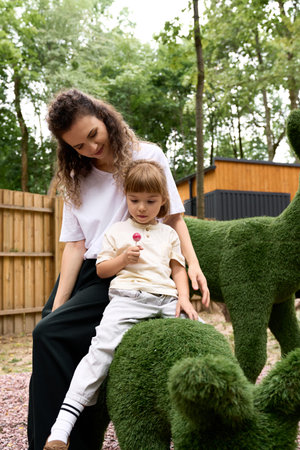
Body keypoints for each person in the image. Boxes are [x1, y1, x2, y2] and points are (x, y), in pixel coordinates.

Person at [28, 88, 210, 450]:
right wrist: (59, 303)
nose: (91, 148)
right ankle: (47, 440)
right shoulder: (75, 178)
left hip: (127, 270)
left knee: (50, 334)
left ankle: (70, 438)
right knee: (48, 327)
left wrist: (193, 266)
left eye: (93, 135)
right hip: (90, 268)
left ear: (104, 116)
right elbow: (75, 245)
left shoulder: (147, 155)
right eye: (78, 146)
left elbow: (173, 218)